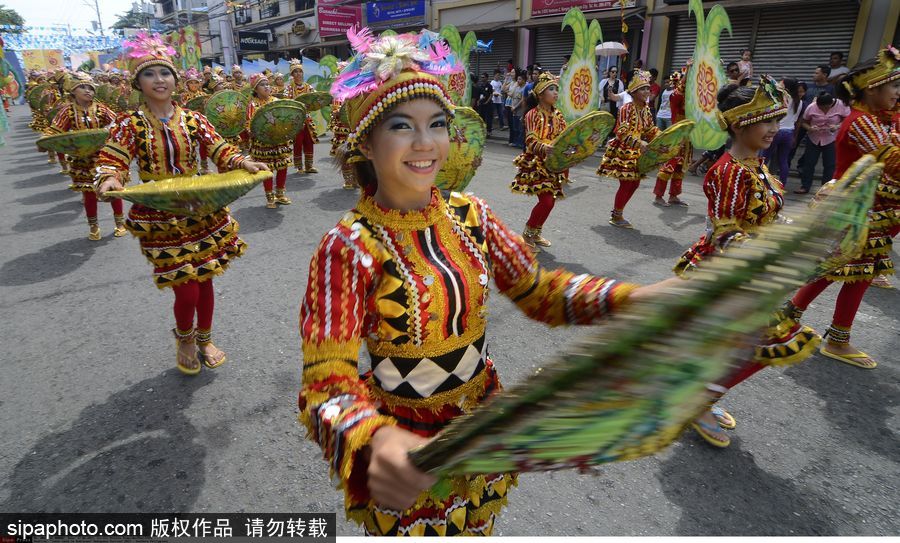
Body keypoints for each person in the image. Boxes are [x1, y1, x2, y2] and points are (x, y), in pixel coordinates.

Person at [298, 28, 673, 536]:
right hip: (404, 431)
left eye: (438, 124)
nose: (426, 143)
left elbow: (540, 292)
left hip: (481, 420)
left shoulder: (470, 213)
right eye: (402, 126)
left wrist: (636, 298)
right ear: (366, 141)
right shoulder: (347, 247)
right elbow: (326, 383)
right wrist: (374, 439)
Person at [93, 32, 269, 375]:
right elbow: (113, 157)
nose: (159, 80)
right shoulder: (130, 124)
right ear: (137, 82)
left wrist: (245, 162)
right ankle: (185, 339)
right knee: (185, 289)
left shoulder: (193, 118)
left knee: (205, 280)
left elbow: (220, 148)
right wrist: (111, 178)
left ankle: (205, 338)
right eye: (149, 74)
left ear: (175, 79)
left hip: (201, 209)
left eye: (165, 73)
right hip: (161, 215)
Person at [674, 76, 820, 447]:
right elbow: (726, 234)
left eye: (777, 119)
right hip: (732, 274)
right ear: (739, 124)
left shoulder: (757, 164)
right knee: (763, 344)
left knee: (737, 348)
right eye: (766, 121)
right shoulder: (727, 171)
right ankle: (697, 399)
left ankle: (698, 395)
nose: (775, 128)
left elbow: (766, 217)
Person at [788, 47, 900, 369]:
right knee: (859, 273)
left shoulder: (875, 120)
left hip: (867, 209)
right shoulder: (863, 123)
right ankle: (837, 340)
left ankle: (790, 313)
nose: (897, 93)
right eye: (893, 86)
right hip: (858, 209)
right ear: (872, 88)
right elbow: (892, 162)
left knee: (841, 268)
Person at [44, 72, 121, 240]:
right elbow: (55, 131)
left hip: (105, 157)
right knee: (89, 194)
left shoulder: (101, 109)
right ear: (73, 91)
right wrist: (45, 141)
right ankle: (94, 227)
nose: (88, 91)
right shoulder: (67, 111)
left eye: (91, 88)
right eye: (83, 88)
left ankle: (119, 223)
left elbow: (117, 124)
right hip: (82, 159)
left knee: (114, 189)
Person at [510, 72, 569, 250]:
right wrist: (545, 148)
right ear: (541, 94)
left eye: (556, 89)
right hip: (536, 163)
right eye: (551, 89)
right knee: (547, 201)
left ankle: (535, 233)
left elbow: (566, 137)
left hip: (553, 164)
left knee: (550, 201)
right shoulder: (532, 115)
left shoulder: (558, 115)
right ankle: (527, 234)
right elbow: (530, 140)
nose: (555, 93)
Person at [597, 70, 660, 228]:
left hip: (637, 150)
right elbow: (621, 133)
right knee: (626, 184)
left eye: (648, 88)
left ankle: (618, 213)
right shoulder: (627, 108)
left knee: (635, 183)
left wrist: (663, 138)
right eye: (643, 89)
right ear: (634, 91)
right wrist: (639, 143)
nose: (647, 91)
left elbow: (650, 129)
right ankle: (616, 215)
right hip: (624, 150)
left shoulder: (645, 109)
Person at [246, 73, 293, 208]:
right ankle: (270, 197)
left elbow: (284, 118)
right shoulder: (253, 105)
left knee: (282, 166)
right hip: (262, 141)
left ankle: (280, 194)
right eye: (262, 85)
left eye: (267, 84)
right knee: (267, 169)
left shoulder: (276, 101)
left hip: (278, 139)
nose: (266, 87)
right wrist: (255, 133)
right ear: (255, 89)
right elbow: (249, 123)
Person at [795, 92, 849, 194]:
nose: (824, 110)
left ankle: (825, 189)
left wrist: (837, 126)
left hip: (831, 138)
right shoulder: (811, 107)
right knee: (809, 163)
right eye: (821, 108)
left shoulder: (840, 105)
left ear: (831, 104)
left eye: (826, 108)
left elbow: (847, 119)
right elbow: (804, 122)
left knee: (830, 164)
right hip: (814, 138)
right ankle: (805, 186)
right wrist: (810, 128)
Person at [652, 70, 690, 207]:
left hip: (686, 138)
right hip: (675, 138)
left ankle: (673, 196)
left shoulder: (691, 99)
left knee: (680, 168)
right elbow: (680, 90)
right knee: (668, 167)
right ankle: (658, 196)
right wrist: (689, 68)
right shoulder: (674, 97)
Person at [761, 78, 801, 184]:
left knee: (764, 158)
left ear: (785, 87)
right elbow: (796, 120)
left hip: (776, 131)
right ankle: (783, 184)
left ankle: (760, 181)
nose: (778, 84)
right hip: (789, 133)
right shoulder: (799, 102)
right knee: (783, 160)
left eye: (780, 83)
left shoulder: (780, 98)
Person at [285, 59, 319, 173]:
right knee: (298, 142)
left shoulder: (308, 87)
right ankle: (299, 167)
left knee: (309, 141)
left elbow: (315, 98)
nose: (298, 74)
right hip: (295, 120)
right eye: (295, 72)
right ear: (292, 75)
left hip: (307, 118)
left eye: (300, 71)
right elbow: (286, 102)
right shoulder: (289, 88)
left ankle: (309, 165)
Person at [507, 71, 526, 148]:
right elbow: (511, 95)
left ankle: (520, 143)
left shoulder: (525, 88)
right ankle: (515, 142)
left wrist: (515, 107)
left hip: (520, 110)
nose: (518, 81)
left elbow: (522, 100)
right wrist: (512, 106)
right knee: (515, 128)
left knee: (520, 128)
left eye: (520, 79)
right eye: (517, 79)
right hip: (514, 110)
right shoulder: (517, 87)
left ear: (524, 80)